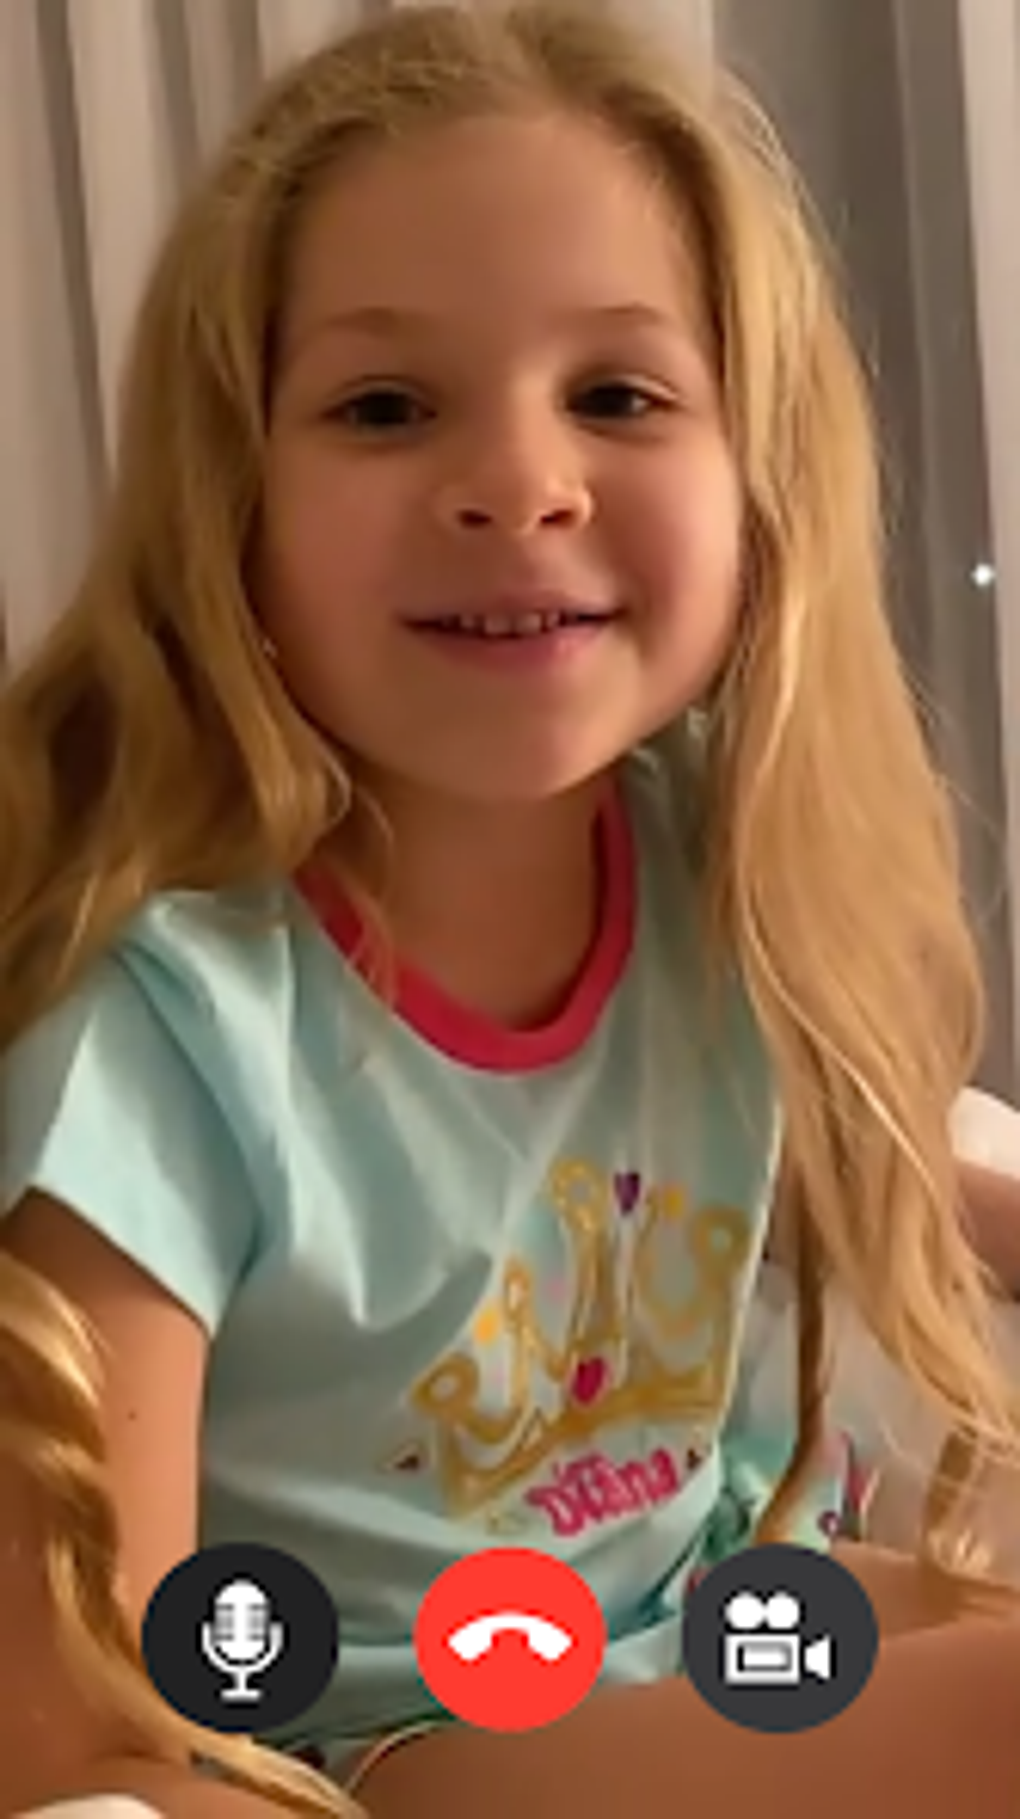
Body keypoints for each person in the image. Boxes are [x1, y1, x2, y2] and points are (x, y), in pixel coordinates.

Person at [1, 3, 1018, 1816]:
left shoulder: (702, 855)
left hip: (693, 1615)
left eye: (617, 395)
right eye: (385, 408)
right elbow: (82, 1721)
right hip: (393, 1738)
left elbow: (842, 1155)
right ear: (231, 501)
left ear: (762, 474)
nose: (521, 485)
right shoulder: (165, 1031)